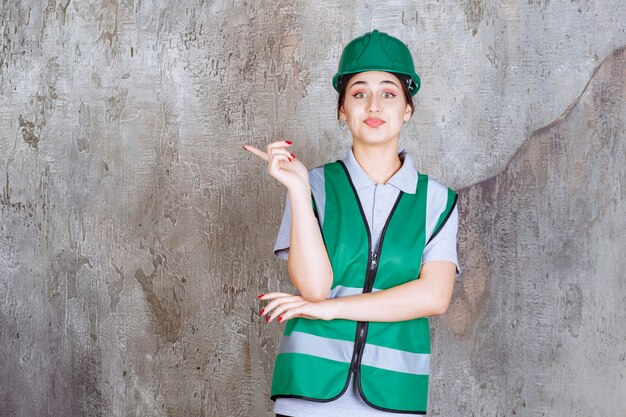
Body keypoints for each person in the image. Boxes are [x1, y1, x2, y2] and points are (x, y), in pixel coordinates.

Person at [243, 29, 460, 417]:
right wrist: (296, 188)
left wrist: (332, 310)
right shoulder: (315, 185)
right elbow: (314, 287)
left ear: (407, 109)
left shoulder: (438, 201)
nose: (373, 105)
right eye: (359, 93)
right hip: (308, 390)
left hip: (394, 393)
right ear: (343, 109)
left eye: (388, 93)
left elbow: (434, 297)